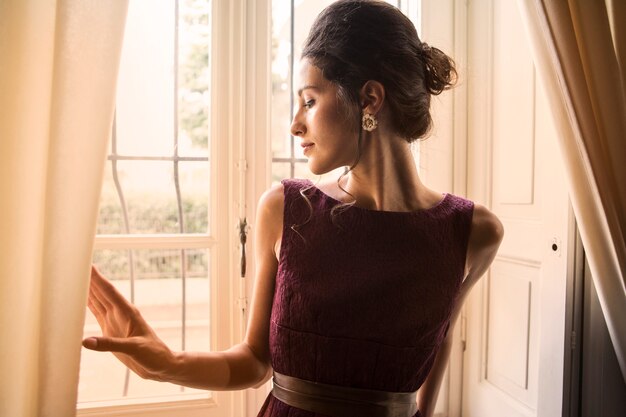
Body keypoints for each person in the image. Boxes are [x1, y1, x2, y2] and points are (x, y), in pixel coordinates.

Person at [83, 1, 504, 416]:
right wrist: (166, 365)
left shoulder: (473, 232)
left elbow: (440, 339)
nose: (294, 124)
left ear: (370, 98)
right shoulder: (285, 209)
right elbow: (253, 361)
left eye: (309, 100)